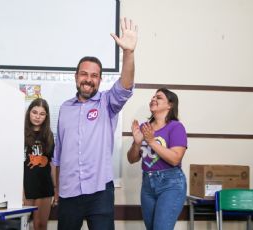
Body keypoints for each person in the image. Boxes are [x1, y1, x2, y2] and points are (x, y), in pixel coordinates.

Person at [52, 17, 138, 230]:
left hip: (100, 191)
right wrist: (56, 189)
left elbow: (125, 85)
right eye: (84, 74)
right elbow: (58, 155)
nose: (88, 79)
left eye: (94, 76)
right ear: (75, 77)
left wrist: (128, 53)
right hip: (68, 192)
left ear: (100, 80)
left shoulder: (108, 103)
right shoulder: (64, 109)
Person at [127, 88, 188, 230]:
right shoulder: (144, 127)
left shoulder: (176, 127)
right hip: (147, 184)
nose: (153, 99)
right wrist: (137, 143)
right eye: (153, 97)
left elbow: (175, 159)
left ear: (170, 105)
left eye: (159, 97)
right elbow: (132, 159)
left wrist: (152, 142)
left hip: (171, 184)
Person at [23, 98, 58, 230]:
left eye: (42, 114)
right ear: (29, 113)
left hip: (44, 186)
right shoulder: (20, 133)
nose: (37, 117)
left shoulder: (49, 136)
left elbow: (52, 164)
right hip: (26, 186)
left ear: (46, 116)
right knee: (22, 224)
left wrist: (55, 189)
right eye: (34, 112)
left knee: (40, 225)